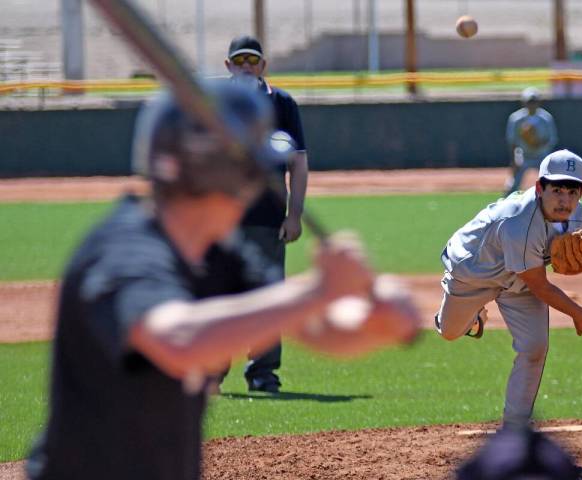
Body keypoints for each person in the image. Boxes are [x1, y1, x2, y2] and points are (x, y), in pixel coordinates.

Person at [25, 83, 418, 480]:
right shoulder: (123, 252)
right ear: (211, 172)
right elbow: (176, 339)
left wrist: (375, 322)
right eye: (252, 168)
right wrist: (317, 290)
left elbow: (311, 326)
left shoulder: (216, 254)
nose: (258, 183)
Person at [435, 149, 582, 429]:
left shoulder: (575, 216)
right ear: (539, 188)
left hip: (518, 278)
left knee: (535, 347)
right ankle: (475, 316)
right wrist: (578, 313)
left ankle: (515, 428)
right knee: (450, 332)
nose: (565, 199)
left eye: (573, 192)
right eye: (557, 189)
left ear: (581, 194)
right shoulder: (519, 221)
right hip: (474, 271)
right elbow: (540, 285)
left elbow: (553, 262)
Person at [222, 35, 308, 392]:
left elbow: (298, 162)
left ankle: (262, 373)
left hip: (267, 215)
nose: (246, 66)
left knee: (268, 298)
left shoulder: (282, 103)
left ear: (263, 65)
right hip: (221, 218)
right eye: (239, 60)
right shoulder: (214, 103)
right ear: (228, 66)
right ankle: (211, 373)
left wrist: (295, 214)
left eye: (252, 61)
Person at [504, 87, 558, 197]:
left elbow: (552, 139)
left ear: (538, 102)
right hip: (523, 155)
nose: (531, 104)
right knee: (513, 185)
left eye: (534, 101)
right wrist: (514, 159)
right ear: (524, 102)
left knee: (551, 183)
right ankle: (505, 206)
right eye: (529, 101)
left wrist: (538, 143)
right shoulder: (516, 118)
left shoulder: (546, 118)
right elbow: (512, 141)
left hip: (541, 155)